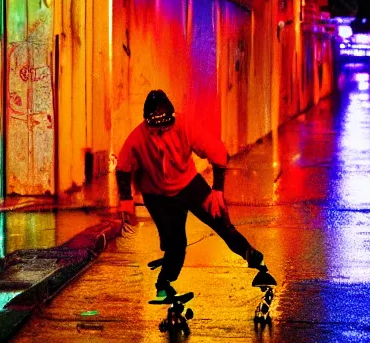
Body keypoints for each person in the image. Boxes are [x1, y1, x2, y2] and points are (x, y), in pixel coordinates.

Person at [116, 89, 276, 301]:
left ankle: (256, 261)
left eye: (165, 126)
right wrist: (126, 200)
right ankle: (164, 284)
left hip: (188, 184)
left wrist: (217, 190)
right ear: (147, 123)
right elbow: (123, 167)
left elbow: (217, 151)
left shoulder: (184, 126)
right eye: (156, 128)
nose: (161, 131)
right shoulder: (138, 137)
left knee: (221, 223)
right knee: (175, 244)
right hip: (157, 194)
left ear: (172, 119)